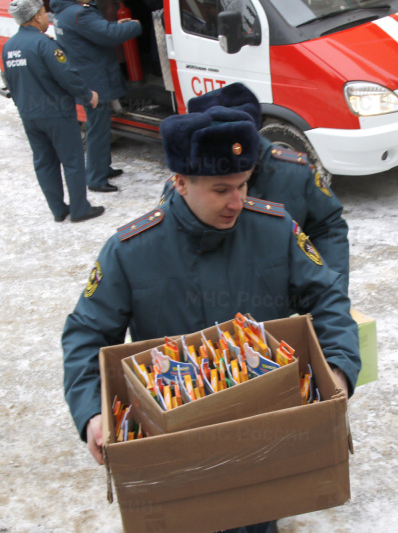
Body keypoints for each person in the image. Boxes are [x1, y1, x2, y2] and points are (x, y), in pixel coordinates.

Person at [62, 106, 360, 465]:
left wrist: (338, 369)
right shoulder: (130, 251)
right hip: (175, 434)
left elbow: (327, 297)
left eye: (243, 184)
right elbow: (87, 334)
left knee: (261, 510)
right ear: (181, 182)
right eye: (221, 190)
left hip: (264, 426)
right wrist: (93, 411)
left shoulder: (275, 229)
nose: (237, 202)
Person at [161, 83, 350, 293]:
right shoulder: (185, 186)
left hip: (285, 301)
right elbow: (168, 248)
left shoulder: (294, 171)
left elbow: (328, 227)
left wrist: (330, 290)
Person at [2, 0, 105, 222]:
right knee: (72, 161)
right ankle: (80, 209)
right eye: (43, 12)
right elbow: (67, 74)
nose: (46, 15)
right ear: (36, 17)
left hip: (29, 115)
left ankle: (58, 210)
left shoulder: (9, 47)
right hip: (56, 113)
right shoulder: (44, 44)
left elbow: (10, 81)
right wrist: (88, 95)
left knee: (44, 162)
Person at [50, 0, 143, 193]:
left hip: (86, 76)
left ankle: (102, 167)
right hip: (94, 80)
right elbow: (108, 35)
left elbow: (96, 31)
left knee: (100, 126)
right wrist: (134, 25)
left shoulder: (64, 11)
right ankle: (95, 178)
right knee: (98, 128)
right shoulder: (79, 14)